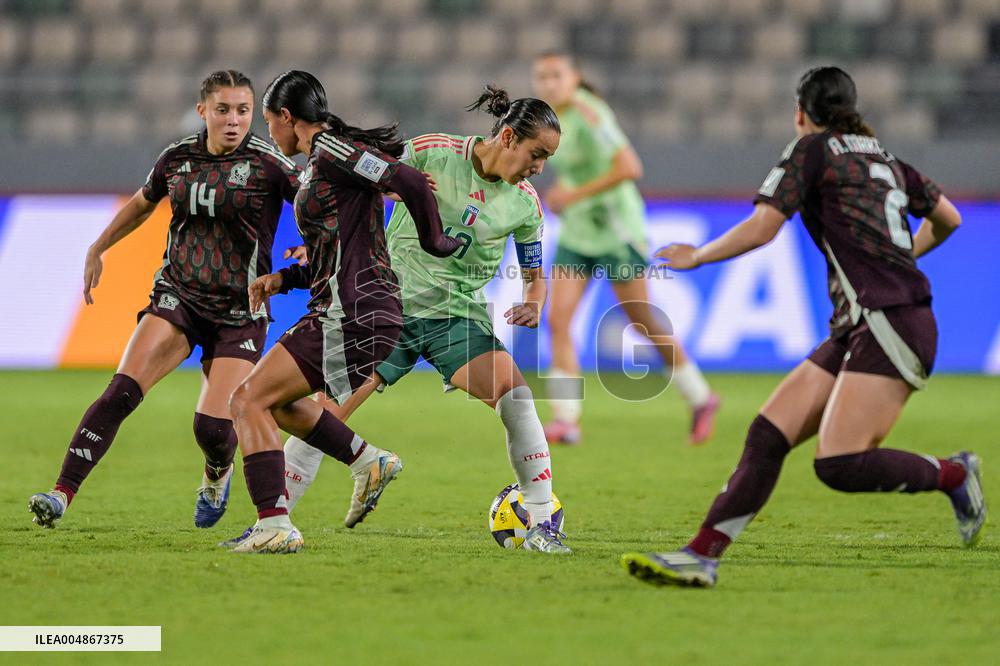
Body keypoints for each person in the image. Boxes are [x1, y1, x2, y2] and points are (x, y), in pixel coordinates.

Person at [621, 66, 985, 588]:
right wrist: (904, 257)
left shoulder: (811, 151)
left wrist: (698, 255)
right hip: (869, 319)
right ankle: (701, 556)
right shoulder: (885, 158)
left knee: (838, 463)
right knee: (768, 435)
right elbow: (948, 215)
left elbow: (765, 226)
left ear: (801, 112)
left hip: (890, 321)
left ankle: (953, 473)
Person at [239, 85, 571, 554]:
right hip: (385, 305)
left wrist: (534, 301)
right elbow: (359, 191)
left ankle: (542, 522)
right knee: (321, 414)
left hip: (454, 315)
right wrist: (319, 247)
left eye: (547, 159)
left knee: (515, 397)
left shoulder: (526, 204)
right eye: (537, 154)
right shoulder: (432, 152)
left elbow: (535, 275)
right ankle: (274, 521)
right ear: (509, 137)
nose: (540, 168)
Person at [28, 70, 302, 530]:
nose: (233, 120)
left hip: (240, 309)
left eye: (243, 110)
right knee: (120, 392)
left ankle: (217, 471)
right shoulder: (177, 159)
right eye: (223, 110)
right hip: (179, 296)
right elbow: (141, 202)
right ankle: (60, 494)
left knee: (213, 430)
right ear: (203, 112)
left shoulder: (269, 163)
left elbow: (315, 204)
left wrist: (312, 243)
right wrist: (98, 246)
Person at [223, 70, 460, 554]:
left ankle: (274, 523)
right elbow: (339, 249)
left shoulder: (330, 150)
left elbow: (410, 180)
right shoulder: (320, 164)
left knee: (247, 400)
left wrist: (435, 243)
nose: (270, 134)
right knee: (280, 404)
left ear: (288, 117)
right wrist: (282, 279)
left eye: (270, 123)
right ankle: (366, 461)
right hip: (348, 305)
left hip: (354, 309)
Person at [531, 51, 719, 446]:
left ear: (575, 78)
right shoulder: (546, 120)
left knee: (642, 320)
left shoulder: (591, 113)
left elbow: (630, 167)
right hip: (579, 233)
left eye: (556, 76)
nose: (548, 84)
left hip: (617, 230)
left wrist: (574, 193)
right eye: (542, 77)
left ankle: (700, 397)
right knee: (558, 320)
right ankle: (566, 419)